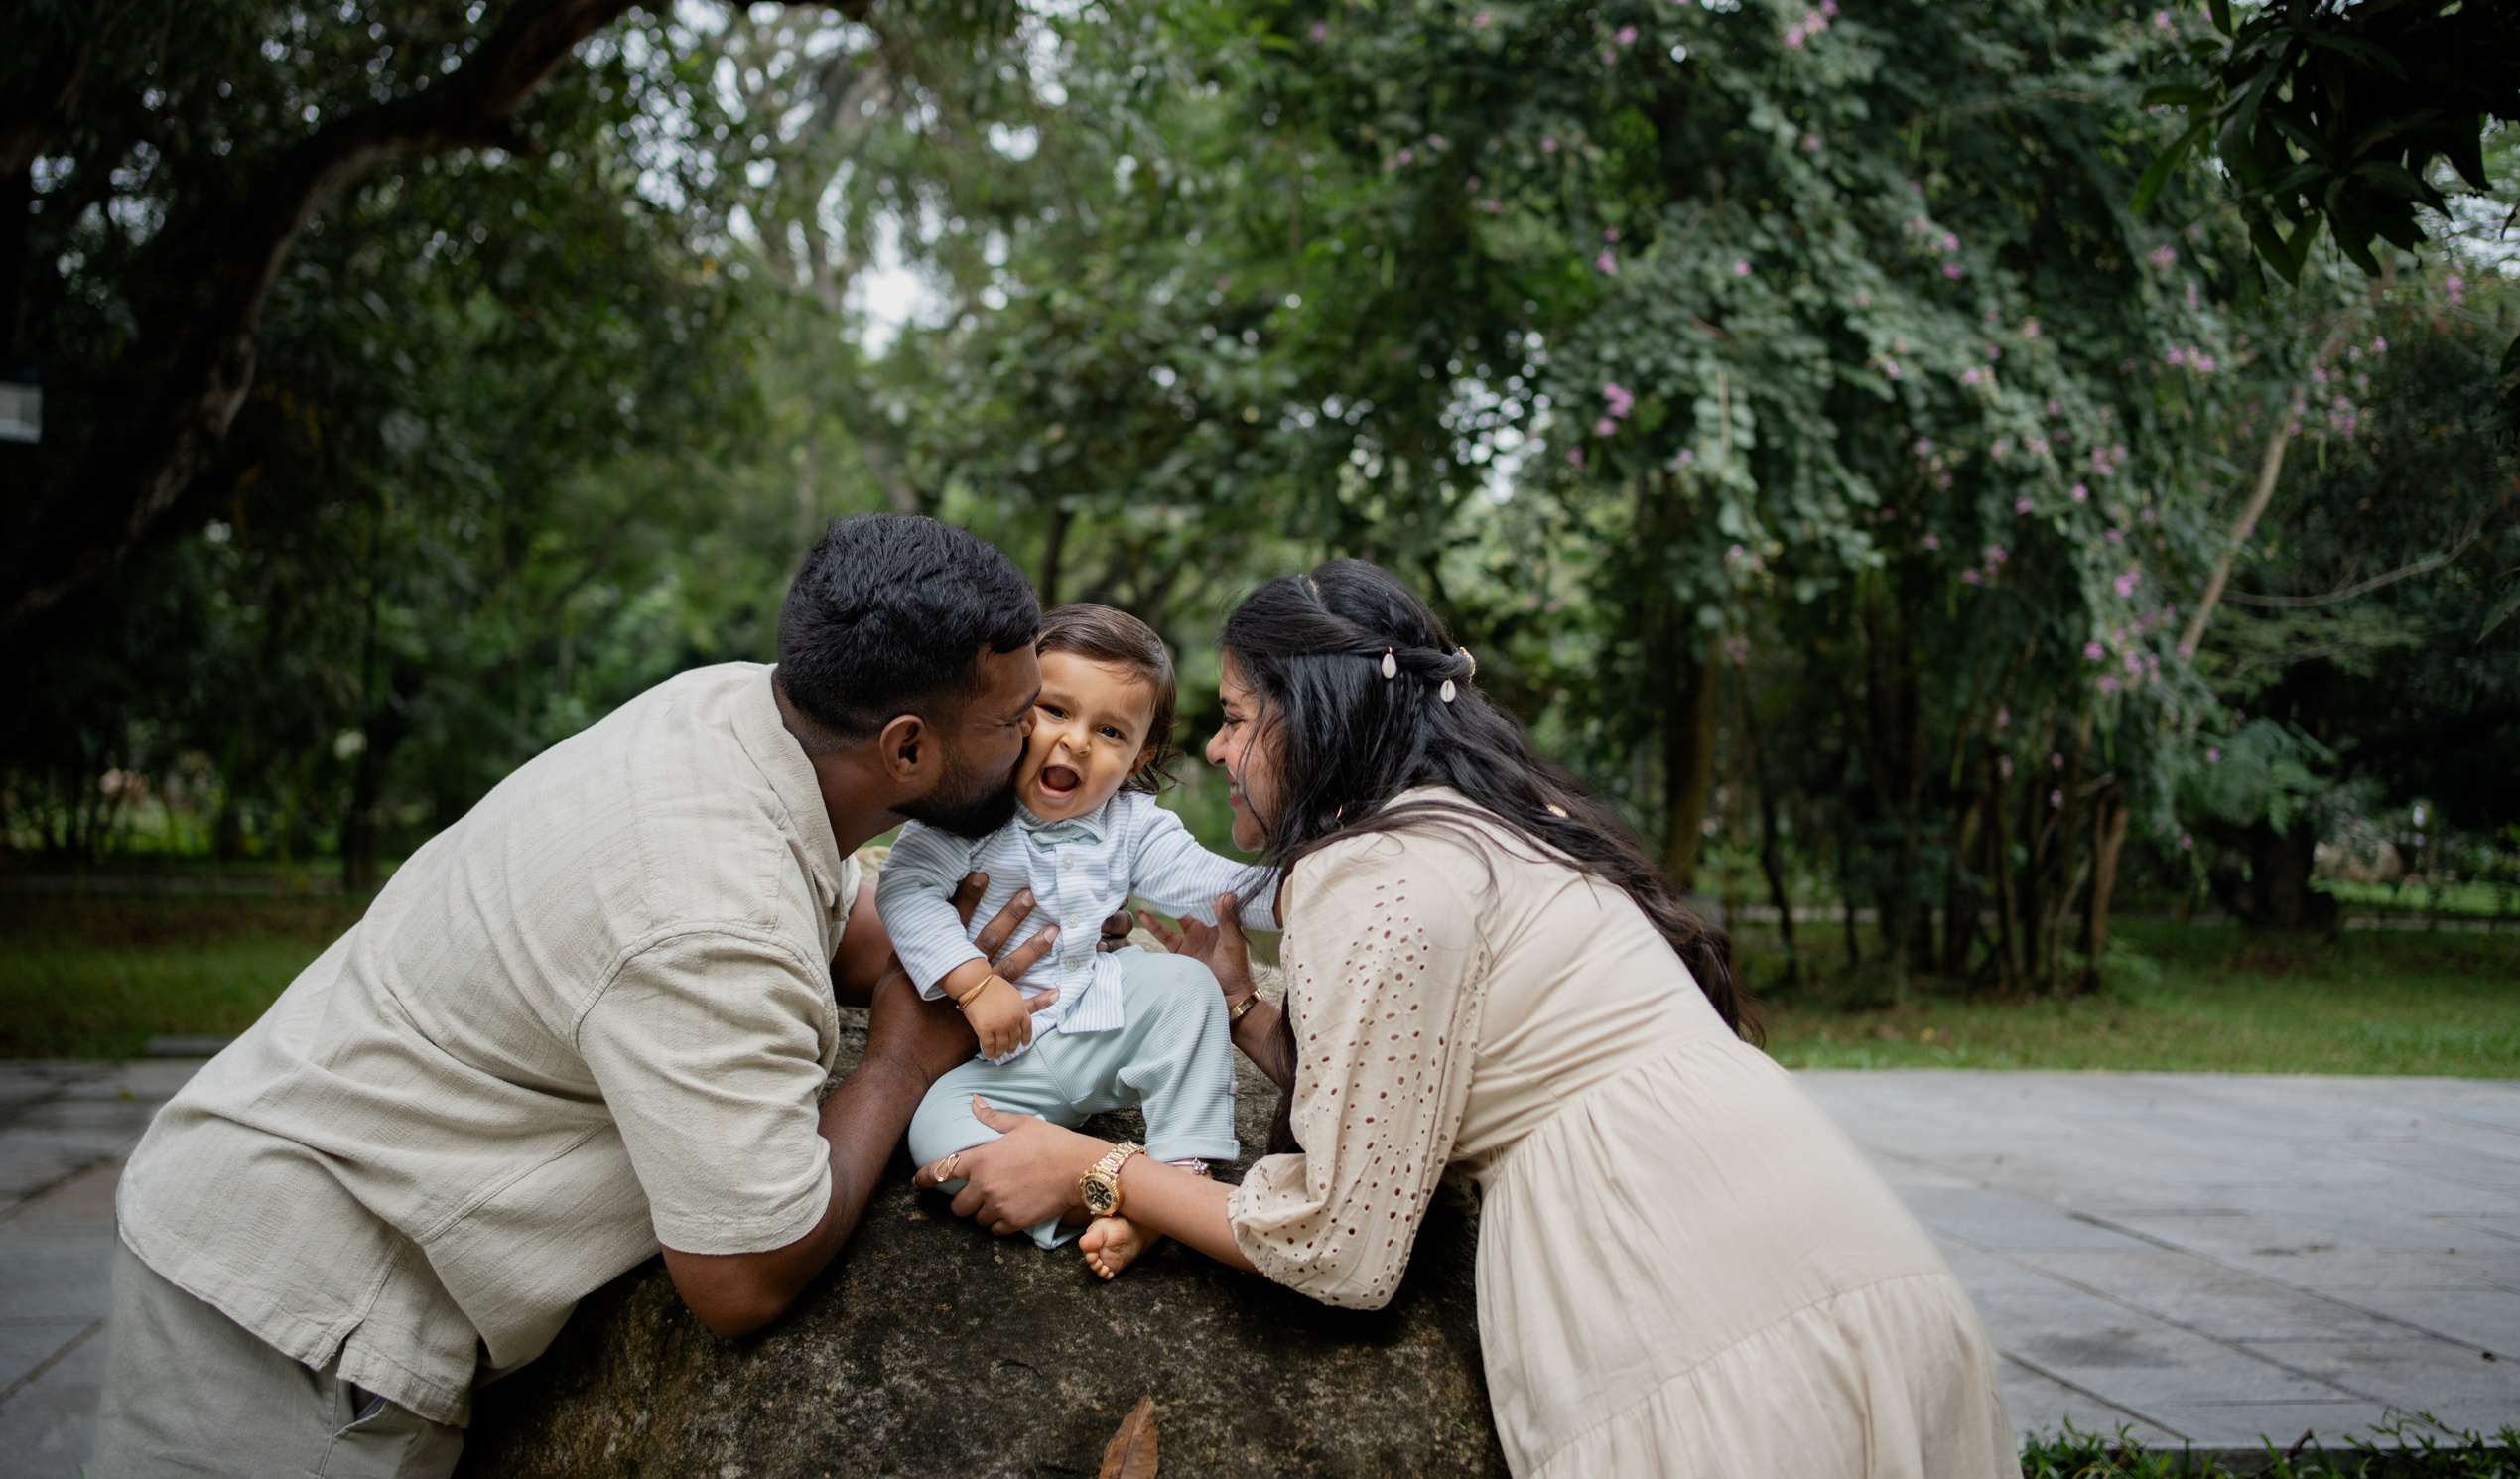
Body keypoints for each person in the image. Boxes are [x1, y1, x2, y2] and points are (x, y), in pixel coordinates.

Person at [919, 559, 2022, 1479]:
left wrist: (1094, 1166)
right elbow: (1423, 1080)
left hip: (1689, 1303)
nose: (1213, 748)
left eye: (1238, 716)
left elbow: (1342, 1248)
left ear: (1315, 719)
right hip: (1851, 1267)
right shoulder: (1495, 818)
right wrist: (1244, 1002)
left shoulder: (1379, 872)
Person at [92, 514, 1058, 1479]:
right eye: (1012, 720)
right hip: (292, 1317)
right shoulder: (709, 905)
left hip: (259, 1188)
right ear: (903, 748)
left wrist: (950, 949)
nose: (1035, 736)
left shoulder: (731, 709)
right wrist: (899, 1054)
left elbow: (822, 901)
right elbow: (744, 1271)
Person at [878, 603, 1276, 1275]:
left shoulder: (1132, 825)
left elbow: (1215, 884)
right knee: (935, 1143)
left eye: (1111, 730)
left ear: (1140, 754)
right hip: (994, 1067)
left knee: (1184, 982)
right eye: (1055, 710)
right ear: (1013, 709)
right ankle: (1111, 1204)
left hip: (1096, 1027)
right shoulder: (969, 809)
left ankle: (1182, 1178)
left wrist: (1314, 886)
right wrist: (972, 982)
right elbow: (905, 889)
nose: (1077, 742)